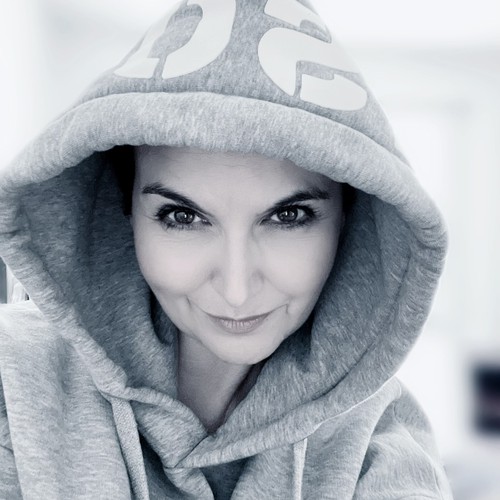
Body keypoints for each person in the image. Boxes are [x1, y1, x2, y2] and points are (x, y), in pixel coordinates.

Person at [0, 0, 454, 498]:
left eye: (287, 217)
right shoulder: (12, 381)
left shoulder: (379, 441)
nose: (236, 290)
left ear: (349, 221)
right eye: (184, 217)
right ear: (123, 208)